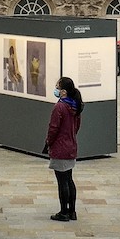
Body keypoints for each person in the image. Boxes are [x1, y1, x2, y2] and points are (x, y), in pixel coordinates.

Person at [45, 75, 84, 222]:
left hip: (60, 147)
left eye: (58, 87)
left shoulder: (59, 107)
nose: (56, 89)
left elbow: (53, 128)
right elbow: (77, 127)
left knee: (62, 181)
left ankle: (64, 212)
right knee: (69, 178)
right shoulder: (75, 106)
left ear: (63, 91)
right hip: (71, 145)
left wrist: (49, 142)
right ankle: (72, 211)